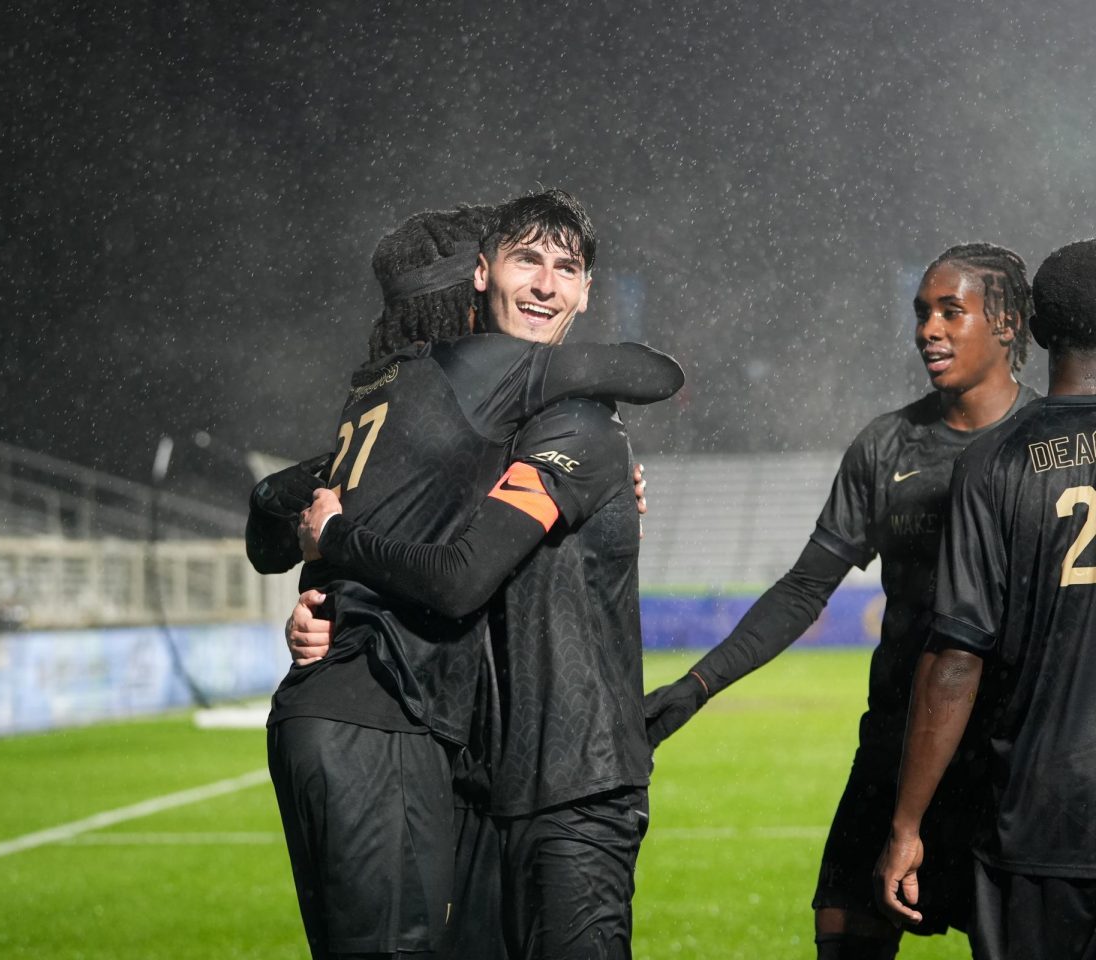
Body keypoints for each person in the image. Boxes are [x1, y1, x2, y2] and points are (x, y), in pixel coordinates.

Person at [253, 197, 683, 960]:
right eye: (524, 261)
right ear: (477, 279)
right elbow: (653, 369)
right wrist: (336, 547)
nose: (546, 285)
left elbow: (266, 512)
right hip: (390, 721)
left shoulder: (396, 399)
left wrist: (323, 567)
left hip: (393, 729)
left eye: (566, 269)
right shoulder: (491, 380)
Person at [642, 243, 1038, 959]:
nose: (929, 330)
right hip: (892, 748)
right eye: (922, 313)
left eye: (953, 311)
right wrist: (698, 685)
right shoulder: (887, 446)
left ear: (1007, 323)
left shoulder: (1048, 450)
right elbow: (803, 589)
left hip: (1007, 766)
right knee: (842, 934)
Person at [875, 238, 1096, 960]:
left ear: (1033, 329)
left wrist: (908, 825)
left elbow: (957, 658)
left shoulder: (992, 463)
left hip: (1035, 819)